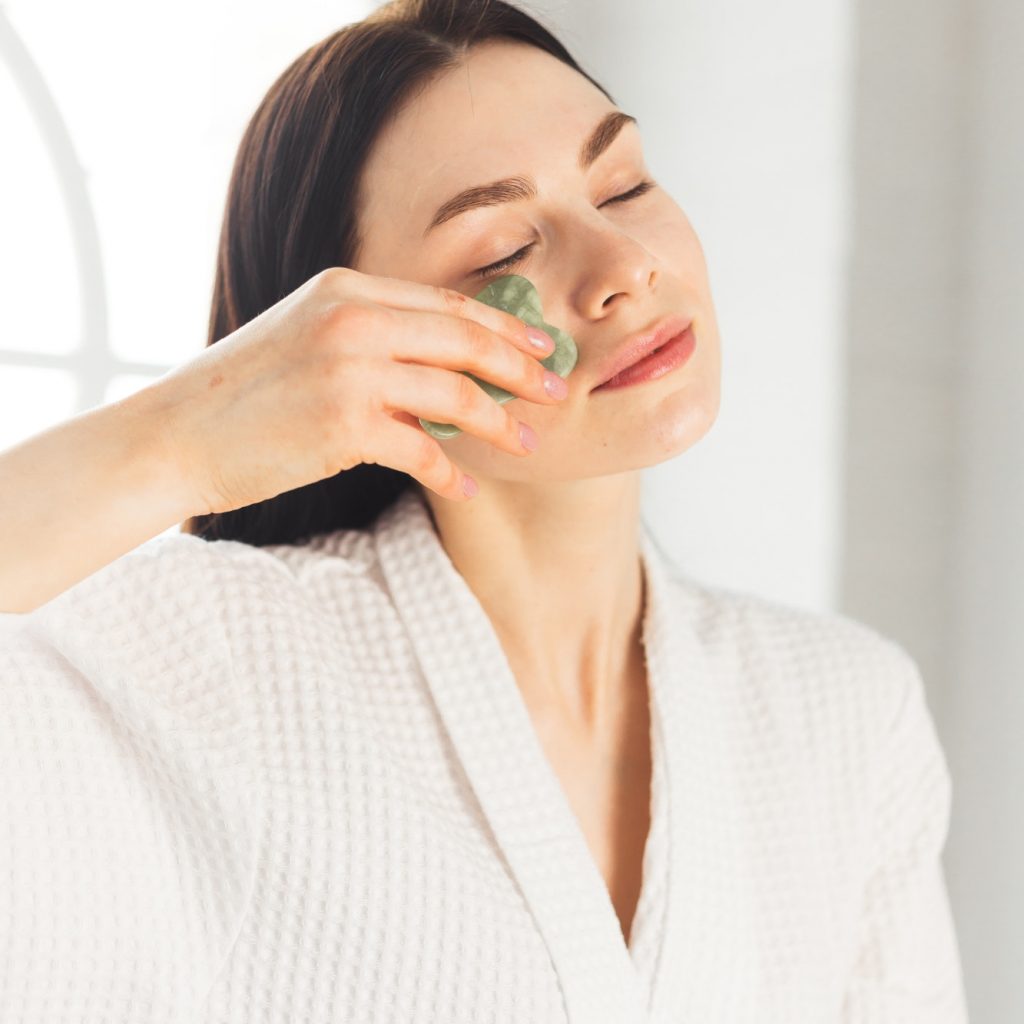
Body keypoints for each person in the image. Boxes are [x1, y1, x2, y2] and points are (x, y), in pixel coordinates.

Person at [0, 0, 968, 1021]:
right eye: (501, 248)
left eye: (624, 182)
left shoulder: (847, 713)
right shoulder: (215, 666)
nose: (622, 269)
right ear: (348, 341)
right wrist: (183, 439)